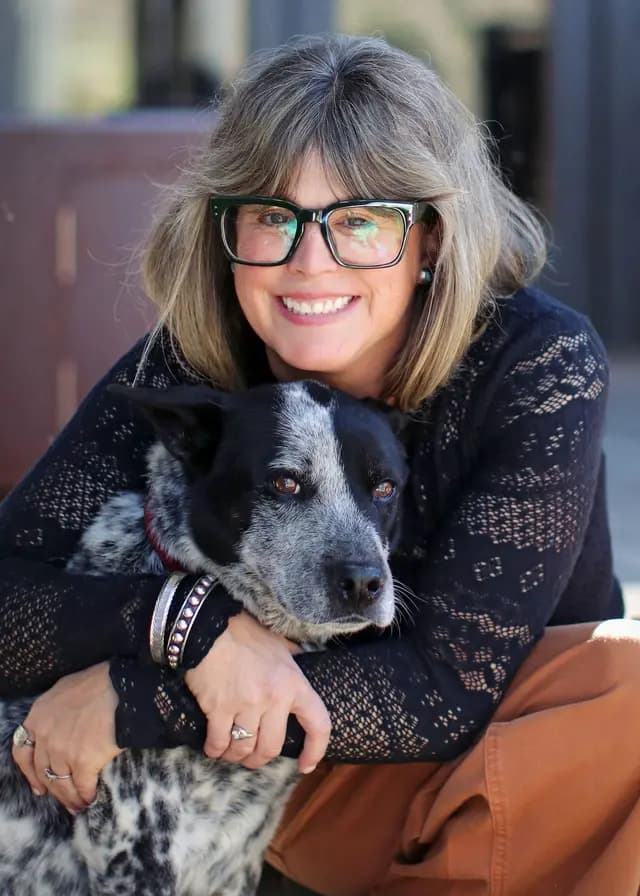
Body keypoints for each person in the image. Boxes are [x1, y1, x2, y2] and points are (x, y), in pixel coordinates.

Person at [1, 33, 638, 896]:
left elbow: (443, 687)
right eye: (272, 217)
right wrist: (184, 623)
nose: (310, 263)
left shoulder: (534, 364)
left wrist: (127, 699)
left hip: (509, 772)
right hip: (283, 782)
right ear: (225, 234)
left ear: (432, 242)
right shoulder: (199, 358)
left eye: (360, 220)